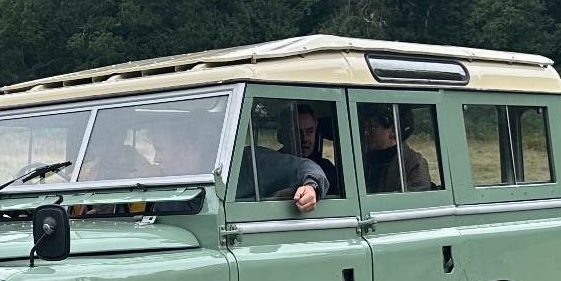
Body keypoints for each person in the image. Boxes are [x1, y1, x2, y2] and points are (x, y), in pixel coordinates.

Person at [152, 118, 324, 212]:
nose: (155, 158)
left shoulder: (246, 163)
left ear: (187, 147)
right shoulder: (166, 187)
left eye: (160, 150)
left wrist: (311, 188)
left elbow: (304, 166)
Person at [360, 105, 432, 193]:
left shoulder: (414, 164)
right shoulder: (365, 161)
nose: (366, 132)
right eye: (365, 127)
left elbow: (415, 202)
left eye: (373, 127)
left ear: (393, 131)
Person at [277, 104, 339, 196]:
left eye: (310, 132)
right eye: (297, 132)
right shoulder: (273, 166)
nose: (304, 138)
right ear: (281, 136)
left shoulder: (328, 170)